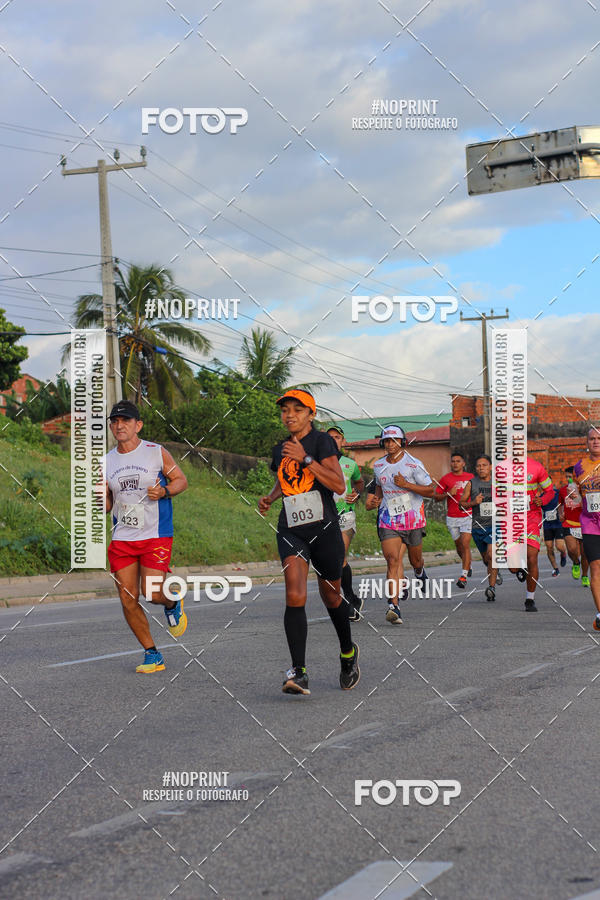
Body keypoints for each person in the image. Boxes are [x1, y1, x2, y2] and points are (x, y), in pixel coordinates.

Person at [258, 389, 360, 695]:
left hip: (325, 527)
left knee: (332, 597)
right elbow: (284, 477)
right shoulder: (280, 448)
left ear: (311, 414)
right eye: (285, 410)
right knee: (295, 594)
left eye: (297, 410)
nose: (290, 415)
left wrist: (306, 458)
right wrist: (271, 496)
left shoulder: (321, 442)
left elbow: (337, 483)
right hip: (291, 527)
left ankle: (347, 653)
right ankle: (299, 672)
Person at [104, 401, 188, 674]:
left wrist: (164, 492)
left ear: (138, 425)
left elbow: (181, 481)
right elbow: (106, 505)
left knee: (151, 593)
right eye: (115, 421)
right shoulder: (106, 461)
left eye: (125, 420)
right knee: (128, 598)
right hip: (123, 538)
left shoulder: (155, 452)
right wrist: (98, 498)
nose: (119, 425)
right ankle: (152, 654)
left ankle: (172, 602)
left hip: (155, 534)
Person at [371, 425, 434, 624]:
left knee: (415, 560)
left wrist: (406, 485)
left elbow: (430, 490)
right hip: (388, 518)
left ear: (402, 442)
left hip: (413, 518)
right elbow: (379, 490)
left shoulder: (414, 464)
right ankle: (394, 606)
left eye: (394, 440)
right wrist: (375, 500)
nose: (390, 444)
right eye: (387, 441)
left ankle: (418, 571)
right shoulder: (378, 465)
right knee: (392, 560)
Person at [327, 426, 365, 621]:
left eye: (337, 437)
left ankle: (347, 601)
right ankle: (352, 598)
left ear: (343, 441)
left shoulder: (350, 464)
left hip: (345, 516)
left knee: (339, 557)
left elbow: (360, 483)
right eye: (330, 437)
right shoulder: (317, 463)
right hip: (324, 518)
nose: (334, 440)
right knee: (328, 562)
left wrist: (357, 494)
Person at [508, 456, 554, 612]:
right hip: (510, 520)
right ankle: (520, 568)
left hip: (531, 518)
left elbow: (549, 491)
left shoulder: (536, 466)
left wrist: (543, 500)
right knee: (513, 568)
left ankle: (530, 598)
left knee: (532, 557)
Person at [459, 454, 500, 601]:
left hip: (496, 525)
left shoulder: (499, 483)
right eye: (478, 466)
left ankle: (491, 588)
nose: (481, 468)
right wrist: (474, 502)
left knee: (491, 555)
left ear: (490, 467)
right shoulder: (471, 483)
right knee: (486, 559)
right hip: (477, 527)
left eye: (484, 465)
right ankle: (495, 572)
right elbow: (461, 504)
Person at [572, 427, 600, 630]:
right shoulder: (579, 467)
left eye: (599, 438)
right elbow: (581, 494)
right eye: (592, 439)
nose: (596, 442)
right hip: (590, 524)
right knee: (595, 569)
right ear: (586, 443)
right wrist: (576, 498)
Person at [433, 452, 473, 588]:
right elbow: (436, 497)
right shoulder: (445, 479)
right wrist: (449, 493)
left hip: (468, 515)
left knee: (465, 543)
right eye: (453, 461)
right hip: (452, 517)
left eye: (458, 461)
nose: (455, 463)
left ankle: (464, 575)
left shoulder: (471, 478)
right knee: (459, 546)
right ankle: (467, 564)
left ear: (463, 464)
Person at [558, 466, 589, 586]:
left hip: (584, 524)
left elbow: (588, 505)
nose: (567, 479)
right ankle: (576, 562)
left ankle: (585, 575)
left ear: (576, 477)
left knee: (585, 553)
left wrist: (577, 498)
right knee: (571, 549)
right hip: (568, 523)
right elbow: (560, 504)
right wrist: (560, 513)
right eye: (566, 477)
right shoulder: (563, 490)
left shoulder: (584, 489)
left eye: (570, 477)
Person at [541, 486, 567, 577]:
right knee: (549, 547)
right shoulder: (541, 496)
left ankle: (563, 553)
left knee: (559, 546)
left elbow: (565, 502)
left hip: (558, 523)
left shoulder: (558, 493)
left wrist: (563, 513)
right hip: (547, 525)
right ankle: (555, 568)